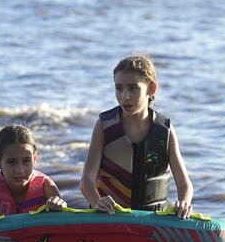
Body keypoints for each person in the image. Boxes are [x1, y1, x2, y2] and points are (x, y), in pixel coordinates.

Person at [80, 53, 193, 217]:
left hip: (153, 220)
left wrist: (184, 203)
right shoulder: (104, 126)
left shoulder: (164, 131)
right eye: (119, 88)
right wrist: (97, 201)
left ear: (151, 88)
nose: (125, 96)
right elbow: (86, 182)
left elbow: (184, 184)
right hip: (110, 218)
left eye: (133, 88)